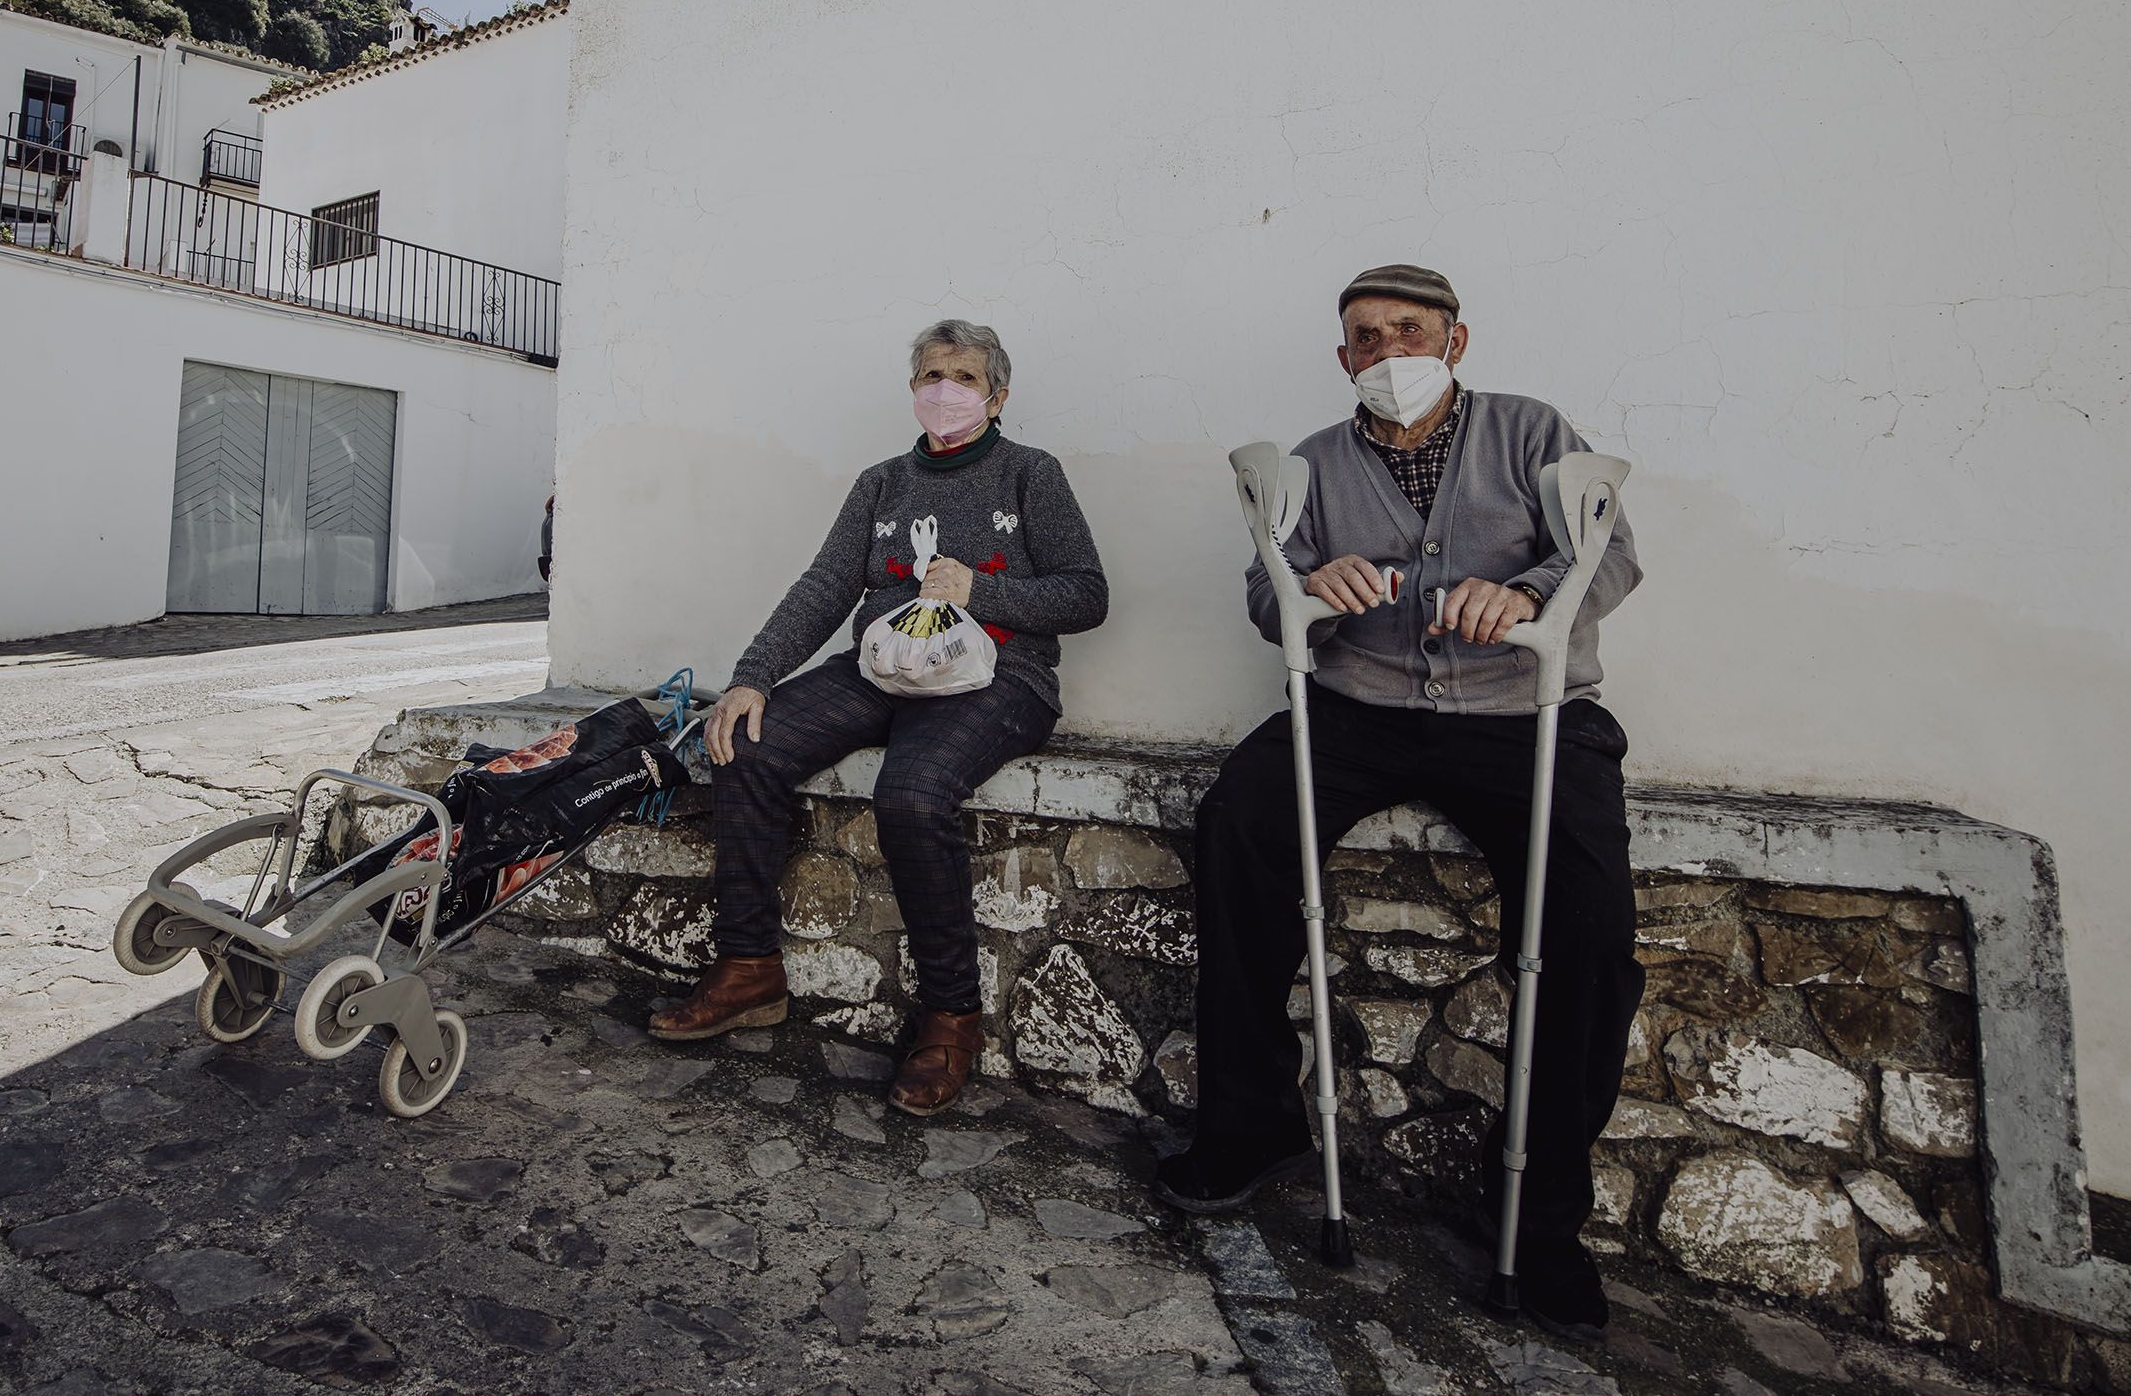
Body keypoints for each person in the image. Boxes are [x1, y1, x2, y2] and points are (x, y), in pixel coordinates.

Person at [1157, 264, 1642, 1338]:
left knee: (1591, 931)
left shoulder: (1531, 430)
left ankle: (1539, 1209)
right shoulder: (1319, 462)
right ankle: (1252, 1123)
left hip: (1525, 710)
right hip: (1361, 706)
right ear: (1344, 360)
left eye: (1406, 332)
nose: (1386, 354)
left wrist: (1523, 595)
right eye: (1365, 340)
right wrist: (1309, 591)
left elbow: (1608, 560)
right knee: (1239, 822)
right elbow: (1263, 590)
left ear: (1455, 341)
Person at [650, 319, 1110, 1117]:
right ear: (912, 390)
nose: (947, 390)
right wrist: (751, 678)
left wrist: (980, 591)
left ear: (997, 396)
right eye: (933, 374)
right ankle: (749, 968)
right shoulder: (881, 483)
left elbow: (1087, 594)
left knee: (913, 791)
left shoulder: (1031, 474)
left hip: (999, 676)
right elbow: (826, 585)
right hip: (882, 667)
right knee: (747, 744)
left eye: (965, 378)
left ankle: (951, 1016)